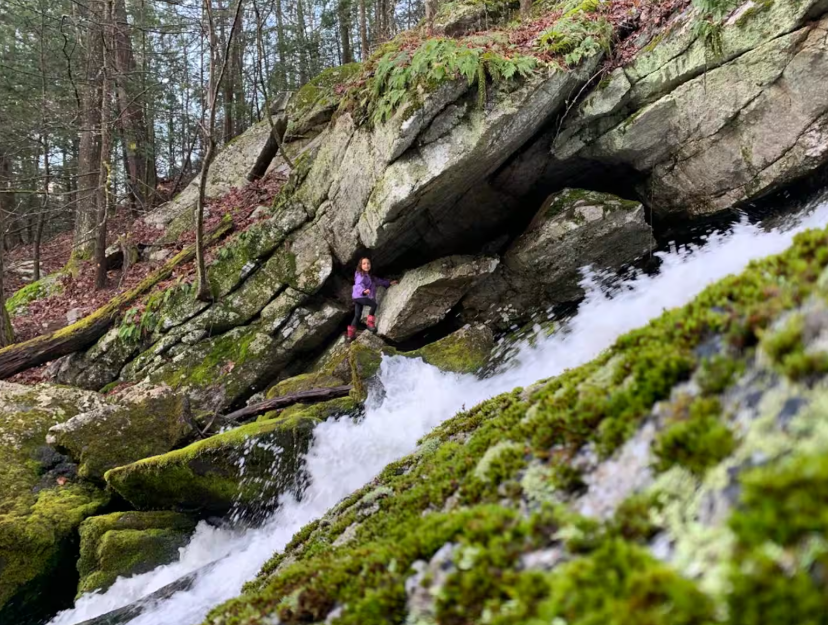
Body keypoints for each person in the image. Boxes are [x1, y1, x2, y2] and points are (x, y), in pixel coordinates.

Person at [348, 257, 397, 342]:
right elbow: (358, 285)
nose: (366, 265)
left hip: (357, 297)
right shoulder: (360, 274)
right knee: (373, 305)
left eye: (368, 263)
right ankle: (370, 325)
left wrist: (389, 283)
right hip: (360, 296)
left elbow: (378, 281)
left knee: (357, 315)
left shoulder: (369, 276)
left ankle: (350, 335)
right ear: (360, 265)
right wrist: (363, 291)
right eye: (364, 263)